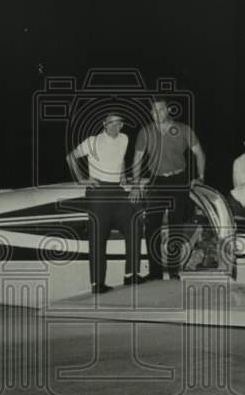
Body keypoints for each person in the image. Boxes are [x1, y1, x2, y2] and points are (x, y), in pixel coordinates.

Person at [131, 98, 206, 281]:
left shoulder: (183, 129)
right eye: (154, 111)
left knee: (175, 227)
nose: (158, 114)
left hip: (178, 180)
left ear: (168, 110)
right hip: (156, 182)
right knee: (152, 227)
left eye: (161, 110)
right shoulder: (145, 132)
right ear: (151, 113)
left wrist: (201, 177)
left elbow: (199, 153)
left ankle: (174, 271)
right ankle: (155, 273)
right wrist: (135, 185)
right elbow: (137, 160)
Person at [67, 112, 142, 294]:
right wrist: (81, 180)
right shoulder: (92, 141)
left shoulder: (124, 138)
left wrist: (123, 175)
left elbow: (121, 158)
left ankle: (131, 275)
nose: (116, 127)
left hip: (117, 191)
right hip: (98, 192)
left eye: (119, 123)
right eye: (112, 123)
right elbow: (70, 157)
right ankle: (97, 284)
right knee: (98, 237)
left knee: (135, 224)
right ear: (104, 124)